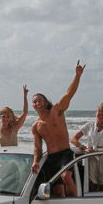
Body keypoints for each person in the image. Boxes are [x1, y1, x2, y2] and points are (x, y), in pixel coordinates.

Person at [31, 61, 85, 197]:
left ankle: (78, 202)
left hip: (65, 154)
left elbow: (69, 93)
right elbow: (37, 147)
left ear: (45, 101)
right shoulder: (36, 126)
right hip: (51, 158)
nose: (37, 102)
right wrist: (36, 161)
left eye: (39, 100)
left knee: (66, 176)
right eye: (34, 101)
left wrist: (77, 75)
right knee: (58, 191)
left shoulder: (56, 111)